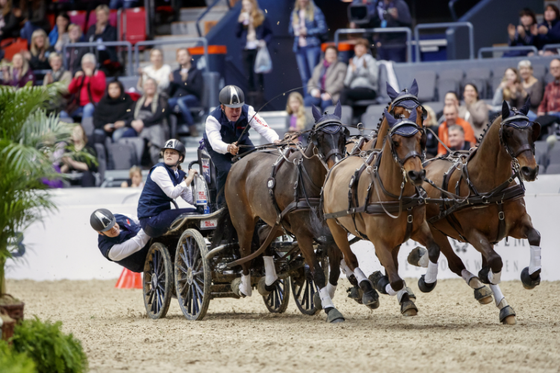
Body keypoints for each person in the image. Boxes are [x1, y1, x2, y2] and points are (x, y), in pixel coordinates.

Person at [204, 85, 280, 206]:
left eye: (238, 109)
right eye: (231, 109)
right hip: (218, 147)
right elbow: (215, 142)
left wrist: (275, 140)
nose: (235, 112)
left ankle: (257, 200)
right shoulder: (212, 119)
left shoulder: (248, 110)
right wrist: (228, 147)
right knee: (226, 170)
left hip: (241, 141)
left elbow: (264, 128)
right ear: (222, 107)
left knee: (258, 164)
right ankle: (221, 205)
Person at [137, 139, 199, 238]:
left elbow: (189, 197)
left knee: (199, 211)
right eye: (166, 153)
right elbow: (173, 193)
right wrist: (190, 178)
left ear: (180, 157)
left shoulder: (177, 173)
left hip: (161, 215)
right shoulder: (159, 170)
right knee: (195, 214)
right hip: (150, 219)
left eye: (172, 153)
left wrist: (203, 205)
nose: (168, 155)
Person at [90, 208, 151, 273]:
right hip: (142, 258)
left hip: (147, 237)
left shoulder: (120, 216)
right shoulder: (110, 250)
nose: (114, 229)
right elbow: (139, 241)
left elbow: (140, 221)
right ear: (100, 232)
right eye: (108, 229)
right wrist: (153, 224)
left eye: (113, 224)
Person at [236, 0, 272, 105]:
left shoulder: (261, 16)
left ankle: (259, 103)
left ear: (253, 4)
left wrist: (264, 41)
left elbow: (269, 33)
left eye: (247, 4)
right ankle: (250, 104)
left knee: (258, 76)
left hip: (257, 48)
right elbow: (237, 34)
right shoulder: (242, 17)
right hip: (246, 49)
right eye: (244, 5)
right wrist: (239, 23)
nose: (246, 7)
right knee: (248, 76)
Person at [125, 78, 168, 165]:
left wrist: (143, 123)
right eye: (147, 85)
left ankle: (155, 157)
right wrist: (133, 123)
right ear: (143, 87)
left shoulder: (161, 99)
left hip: (155, 124)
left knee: (155, 130)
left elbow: (159, 115)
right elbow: (130, 115)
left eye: (152, 84)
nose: (149, 87)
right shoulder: (139, 101)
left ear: (156, 86)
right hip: (138, 127)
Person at [289, 0, 327, 96]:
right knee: (304, 77)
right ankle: (308, 101)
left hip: (312, 46)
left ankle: (316, 99)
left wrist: (308, 31)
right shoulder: (295, 12)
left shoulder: (315, 10)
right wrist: (294, 28)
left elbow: (323, 28)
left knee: (314, 76)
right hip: (299, 47)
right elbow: (290, 31)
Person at [168, 48, 203, 136]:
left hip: (191, 98)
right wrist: (171, 83)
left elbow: (198, 90)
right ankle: (171, 131)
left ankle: (192, 127)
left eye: (183, 55)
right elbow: (170, 93)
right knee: (166, 103)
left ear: (189, 57)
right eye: (179, 56)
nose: (181, 57)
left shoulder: (196, 72)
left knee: (181, 101)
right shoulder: (175, 73)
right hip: (176, 98)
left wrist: (185, 82)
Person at [64, 53, 106, 120]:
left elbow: (100, 89)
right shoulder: (80, 75)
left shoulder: (99, 74)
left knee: (88, 108)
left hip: (93, 104)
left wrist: (91, 77)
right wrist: (75, 79)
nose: (87, 65)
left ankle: (85, 129)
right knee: (63, 114)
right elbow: (70, 90)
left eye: (89, 63)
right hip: (78, 104)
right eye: (84, 63)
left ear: (94, 65)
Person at [304, 45, 346, 111]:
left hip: (332, 95)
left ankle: (326, 121)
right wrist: (313, 91)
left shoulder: (341, 66)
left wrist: (329, 92)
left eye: (333, 53)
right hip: (318, 95)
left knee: (325, 103)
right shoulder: (318, 67)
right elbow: (311, 81)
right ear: (325, 55)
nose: (331, 55)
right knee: (306, 101)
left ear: (336, 55)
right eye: (329, 53)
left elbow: (340, 83)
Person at [340, 38, 378, 108]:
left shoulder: (371, 60)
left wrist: (365, 69)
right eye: (357, 46)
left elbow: (374, 80)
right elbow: (346, 83)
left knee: (345, 93)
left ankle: (337, 116)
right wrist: (352, 71)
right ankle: (351, 118)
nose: (359, 49)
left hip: (368, 89)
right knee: (348, 101)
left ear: (366, 49)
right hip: (355, 90)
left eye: (362, 46)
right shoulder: (353, 62)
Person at [536, 59, 560, 137]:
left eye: (557, 67)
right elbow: (543, 103)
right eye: (553, 68)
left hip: (556, 115)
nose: (555, 70)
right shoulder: (549, 86)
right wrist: (540, 111)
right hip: (549, 116)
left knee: (539, 123)